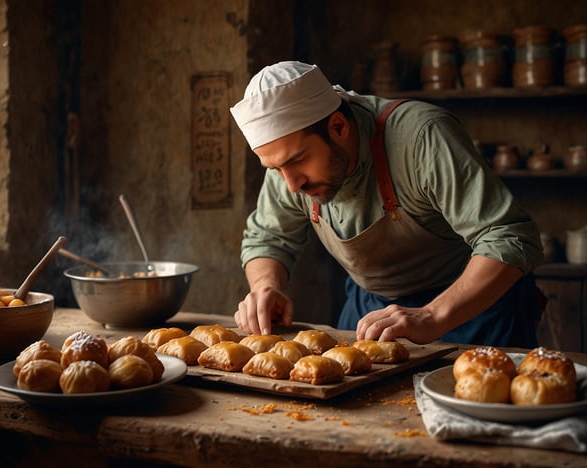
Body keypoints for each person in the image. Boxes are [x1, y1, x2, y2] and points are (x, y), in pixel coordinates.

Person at [229, 61, 544, 347]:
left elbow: (508, 237)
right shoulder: (288, 162)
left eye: (298, 161)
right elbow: (269, 238)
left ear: (338, 127)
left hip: (473, 310)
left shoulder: (422, 137)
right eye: (276, 169)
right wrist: (265, 286)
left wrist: (433, 316)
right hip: (369, 310)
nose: (291, 184)